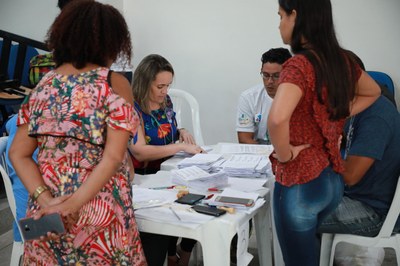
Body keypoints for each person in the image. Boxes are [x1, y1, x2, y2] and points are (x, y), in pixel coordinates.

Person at [9, 1, 146, 265]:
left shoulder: (44, 85)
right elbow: (114, 157)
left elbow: (18, 153)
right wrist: (72, 205)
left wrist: (48, 202)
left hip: (48, 213)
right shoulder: (112, 83)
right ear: (112, 42)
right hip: (98, 209)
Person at [267, 0, 381, 265]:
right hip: (330, 181)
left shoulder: (298, 66)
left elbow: (276, 119)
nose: (279, 24)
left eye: (281, 16)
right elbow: (373, 91)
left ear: (295, 16)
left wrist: (284, 156)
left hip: (300, 181)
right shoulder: (341, 60)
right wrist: (334, 115)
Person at [129, 54, 203, 266]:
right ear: (144, 84)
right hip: (145, 178)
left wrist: (181, 131)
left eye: (168, 85)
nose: (165, 92)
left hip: (170, 172)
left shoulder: (165, 102)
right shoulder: (132, 108)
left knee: (200, 202)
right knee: (174, 210)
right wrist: (180, 146)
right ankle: (172, 255)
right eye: (160, 86)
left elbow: (163, 130)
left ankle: (182, 252)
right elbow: (140, 152)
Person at [317, 95, 400, 262]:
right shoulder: (359, 109)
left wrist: (329, 148)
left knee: (294, 214)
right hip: (360, 196)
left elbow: (350, 176)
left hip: (373, 211)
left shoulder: (375, 117)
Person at [236, 48, 292, 144]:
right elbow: (244, 139)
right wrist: (264, 153)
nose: (270, 81)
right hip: (259, 150)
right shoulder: (249, 97)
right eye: (265, 75)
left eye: (276, 76)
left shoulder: (299, 97)